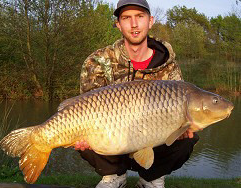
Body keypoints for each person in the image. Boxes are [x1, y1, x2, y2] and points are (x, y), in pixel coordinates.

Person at [74, 0, 199, 187]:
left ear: (150, 21)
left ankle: (151, 178)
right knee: (81, 125)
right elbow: (86, 105)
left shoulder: (168, 66)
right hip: (112, 139)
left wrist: (182, 127)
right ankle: (113, 176)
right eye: (126, 18)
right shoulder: (98, 61)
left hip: (153, 138)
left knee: (188, 135)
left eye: (140, 16)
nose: (134, 24)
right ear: (118, 24)